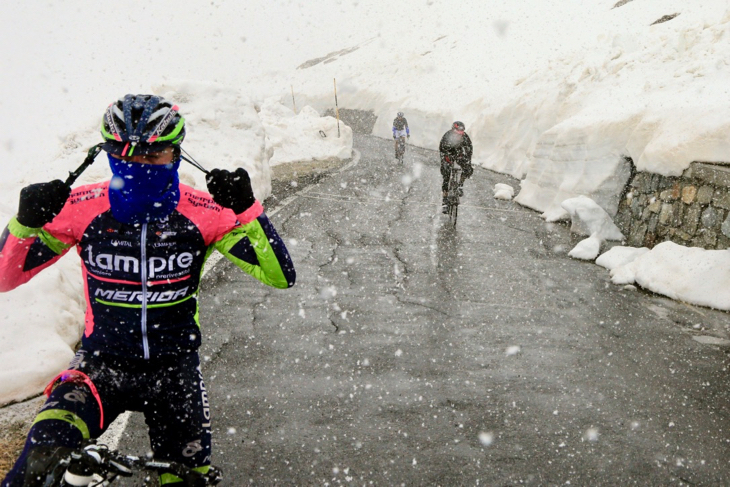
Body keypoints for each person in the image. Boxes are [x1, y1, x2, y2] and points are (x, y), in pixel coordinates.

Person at [0, 94, 296, 486]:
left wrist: (247, 209)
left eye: (155, 155)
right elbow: (6, 277)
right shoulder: (81, 207)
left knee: (188, 480)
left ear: (177, 153)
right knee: (38, 461)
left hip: (175, 373)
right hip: (100, 367)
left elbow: (279, 275)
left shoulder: (203, 212)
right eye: (129, 156)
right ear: (109, 153)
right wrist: (23, 224)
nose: (141, 165)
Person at [439, 121, 474, 213]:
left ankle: (460, 185)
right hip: (448, 155)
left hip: (459, 154)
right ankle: (445, 200)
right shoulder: (447, 136)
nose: (459, 135)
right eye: (457, 133)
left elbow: (469, 149)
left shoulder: (465, 137)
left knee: (468, 168)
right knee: (446, 175)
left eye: (460, 133)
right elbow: (442, 148)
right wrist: (446, 157)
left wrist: (467, 160)